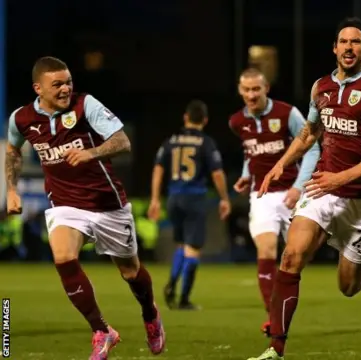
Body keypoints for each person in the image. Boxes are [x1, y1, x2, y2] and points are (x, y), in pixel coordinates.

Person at [246, 17, 361, 360]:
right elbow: (309, 133)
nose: (349, 47)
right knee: (291, 256)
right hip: (322, 188)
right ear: (335, 48)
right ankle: (276, 347)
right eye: (343, 42)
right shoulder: (321, 87)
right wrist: (280, 165)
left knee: (348, 287)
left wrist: (341, 178)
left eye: (356, 42)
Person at [5, 56, 166, 359]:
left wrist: (91, 153)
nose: (66, 88)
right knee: (63, 257)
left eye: (68, 82)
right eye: (57, 84)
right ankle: (102, 330)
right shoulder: (22, 119)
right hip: (65, 204)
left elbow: (122, 142)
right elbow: (13, 151)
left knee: (131, 272)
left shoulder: (85, 105)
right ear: (38, 88)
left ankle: (150, 314)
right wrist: (11, 191)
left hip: (107, 204)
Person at [229, 68, 320, 335]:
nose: (251, 94)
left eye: (256, 89)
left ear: (266, 88)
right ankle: (274, 320)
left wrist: (298, 187)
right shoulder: (236, 122)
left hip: (293, 194)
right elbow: (251, 151)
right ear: (240, 90)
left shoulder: (287, 113)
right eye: (246, 90)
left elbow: (312, 147)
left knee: (299, 257)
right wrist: (247, 176)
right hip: (262, 196)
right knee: (266, 251)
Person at [148, 100, 231, 310]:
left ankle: (172, 284)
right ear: (205, 120)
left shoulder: (171, 141)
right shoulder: (206, 143)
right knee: (193, 249)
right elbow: (217, 173)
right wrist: (224, 198)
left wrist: (155, 199)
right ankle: (183, 297)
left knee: (181, 245)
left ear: (185, 118)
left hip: (174, 198)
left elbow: (158, 169)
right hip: (195, 198)